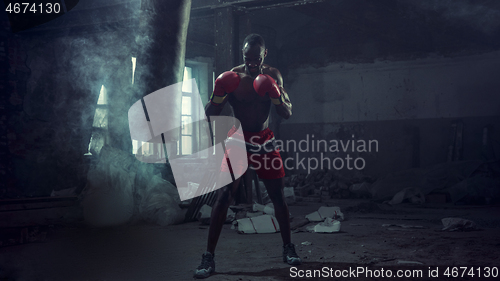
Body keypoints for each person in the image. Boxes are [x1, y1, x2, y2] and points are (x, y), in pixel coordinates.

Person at [194, 34, 301, 279]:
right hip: (237, 139)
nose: (252, 63)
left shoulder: (274, 74)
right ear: (242, 56)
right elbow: (210, 112)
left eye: (256, 58)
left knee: (277, 197)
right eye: (247, 58)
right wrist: (218, 94)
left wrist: (274, 93)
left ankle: (288, 248)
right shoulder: (232, 77)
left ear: (265, 54)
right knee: (224, 196)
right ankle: (208, 258)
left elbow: (287, 112)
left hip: (263, 139)